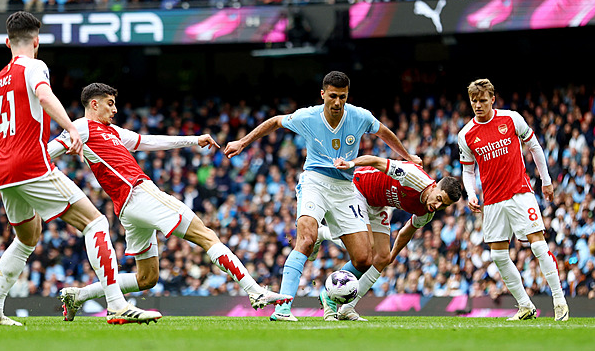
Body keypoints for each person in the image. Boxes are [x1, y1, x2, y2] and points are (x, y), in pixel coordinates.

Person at [48, 83, 292, 321]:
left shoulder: (112, 132)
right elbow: (50, 151)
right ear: (94, 104)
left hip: (127, 208)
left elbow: (149, 142)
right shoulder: (81, 126)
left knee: (147, 278)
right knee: (207, 236)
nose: (115, 110)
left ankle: (78, 295)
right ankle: (255, 291)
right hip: (139, 193)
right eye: (110, 104)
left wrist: (193, 140)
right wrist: (33, 171)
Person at [0, 11, 160, 326]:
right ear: (36, 42)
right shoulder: (35, 66)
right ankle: (116, 305)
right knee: (95, 222)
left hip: (6, 170)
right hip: (32, 164)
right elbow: (44, 94)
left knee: (26, 239)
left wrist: (5, 165)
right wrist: (71, 128)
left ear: (8, 42)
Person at [224, 71, 421, 321]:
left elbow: (383, 132)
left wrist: (407, 156)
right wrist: (243, 142)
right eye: (332, 97)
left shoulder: (359, 116)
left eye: (342, 97)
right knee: (305, 239)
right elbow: (275, 122)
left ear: (347, 96)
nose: (337, 102)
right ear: (322, 94)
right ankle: (283, 307)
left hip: (346, 188)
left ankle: (329, 294)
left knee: (363, 259)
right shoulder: (308, 116)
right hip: (315, 181)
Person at [458, 78, 569, 321]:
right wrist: (472, 193)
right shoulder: (465, 134)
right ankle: (525, 306)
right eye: (474, 101)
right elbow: (468, 171)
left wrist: (546, 180)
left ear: (493, 99)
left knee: (538, 245)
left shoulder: (511, 118)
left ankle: (559, 300)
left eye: (483, 100)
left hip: (520, 192)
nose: (478, 105)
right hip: (493, 201)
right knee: (498, 256)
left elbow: (535, 147)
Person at [312, 155, 461, 320]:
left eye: (445, 205)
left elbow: (407, 231)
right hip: (358, 189)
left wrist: (393, 255)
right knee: (365, 249)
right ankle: (328, 292)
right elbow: (376, 161)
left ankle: (347, 308)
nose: (438, 206)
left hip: (378, 203)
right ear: (434, 187)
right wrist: (351, 164)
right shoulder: (413, 176)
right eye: (439, 199)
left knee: (381, 257)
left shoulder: (427, 212)